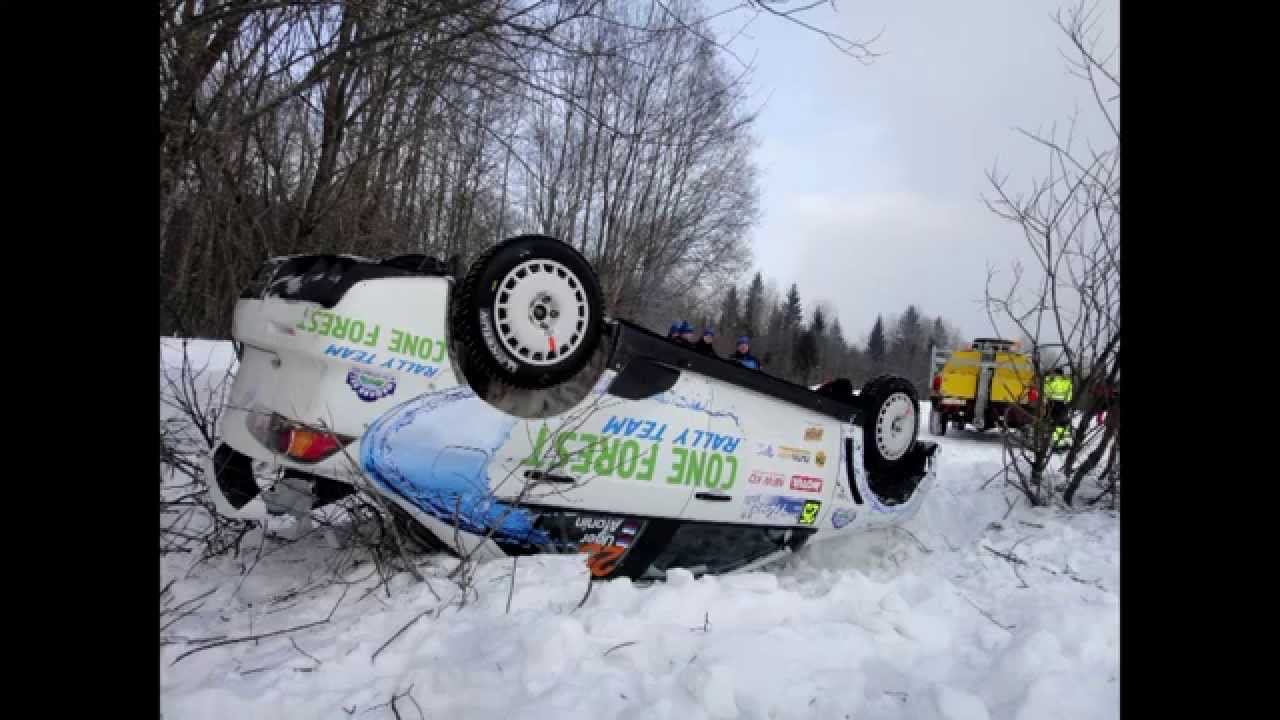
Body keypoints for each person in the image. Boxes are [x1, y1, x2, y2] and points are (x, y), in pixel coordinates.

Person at [1043, 368, 1074, 452]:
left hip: (1052, 404)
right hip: (1063, 405)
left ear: (1055, 373)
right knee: (1063, 423)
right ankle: (1063, 442)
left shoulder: (1049, 380)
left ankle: (1056, 444)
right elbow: (1069, 395)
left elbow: (1045, 392)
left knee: (1054, 423)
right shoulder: (1067, 381)